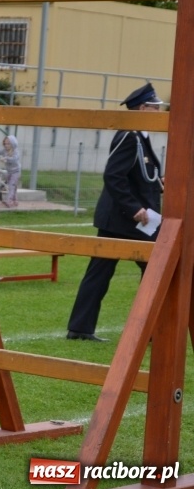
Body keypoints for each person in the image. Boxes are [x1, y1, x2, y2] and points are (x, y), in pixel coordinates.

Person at [66, 83, 164, 342]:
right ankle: (150, 329)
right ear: (142, 109)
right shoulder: (130, 136)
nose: (160, 113)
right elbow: (113, 175)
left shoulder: (141, 136)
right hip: (126, 220)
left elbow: (139, 176)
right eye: (156, 108)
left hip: (131, 221)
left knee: (105, 273)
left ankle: (81, 328)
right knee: (155, 271)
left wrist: (158, 181)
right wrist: (134, 209)